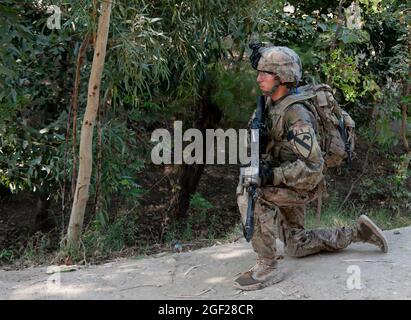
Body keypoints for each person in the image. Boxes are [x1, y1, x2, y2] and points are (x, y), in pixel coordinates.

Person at [234, 45, 388, 291]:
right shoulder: (269, 104)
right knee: (296, 244)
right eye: (259, 72)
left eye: (265, 73)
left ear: (282, 78)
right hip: (287, 179)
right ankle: (357, 232)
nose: (258, 78)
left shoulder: (296, 115)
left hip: (301, 184)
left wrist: (269, 174)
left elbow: (313, 167)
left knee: (250, 191)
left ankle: (267, 265)